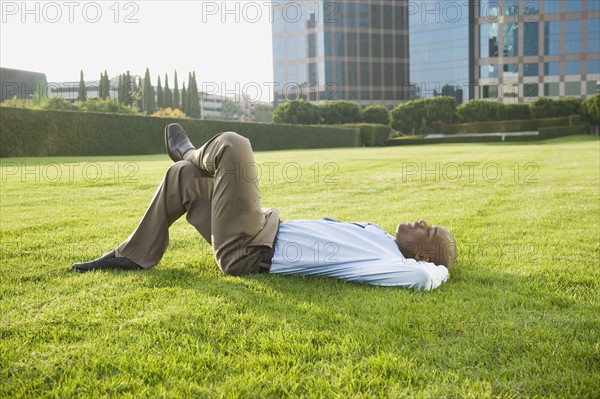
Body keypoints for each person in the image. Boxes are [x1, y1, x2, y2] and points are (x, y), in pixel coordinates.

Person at [72, 124, 457, 290]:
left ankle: (188, 151)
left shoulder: (389, 263)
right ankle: (134, 255)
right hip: (256, 228)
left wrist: (437, 269)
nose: (423, 222)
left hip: (250, 250)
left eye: (429, 230)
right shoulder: (376, 235)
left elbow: (423, 279)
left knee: (233, 145)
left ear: (421, 255)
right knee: (183, 178)